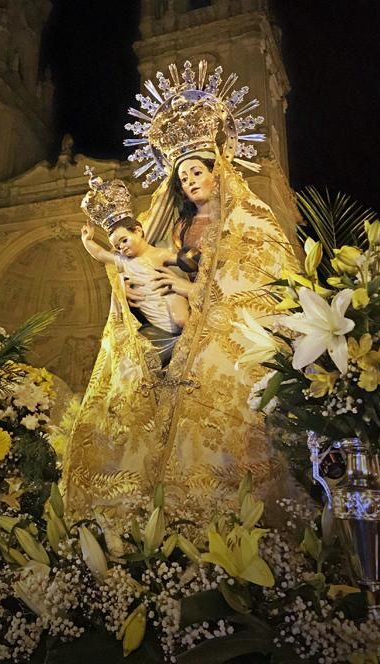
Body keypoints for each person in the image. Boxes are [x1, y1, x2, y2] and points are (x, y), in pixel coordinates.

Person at [62, 60, 299, 521]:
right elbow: (144, 262)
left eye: (196, 172)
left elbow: (257, 281)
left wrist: (189, 288)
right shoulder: (178, 228)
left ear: (218, 170)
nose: (189, 182)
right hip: (177, 339)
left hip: (230, 342)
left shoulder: (250, 220)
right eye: (182, 177)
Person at [80, 217, 188, 366]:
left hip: (167, 295)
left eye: (124, 240)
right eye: (118, 247)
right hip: (151, 310)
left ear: (138, 231)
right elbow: (100, 253)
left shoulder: (158, 254)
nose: (122, 248)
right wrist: (87, 240)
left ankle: (195, 340)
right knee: (139, 351)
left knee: (182, 320)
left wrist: (192, 258)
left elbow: (181, 260)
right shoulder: (123, 261)